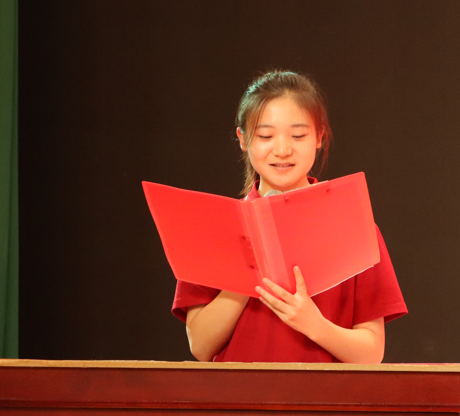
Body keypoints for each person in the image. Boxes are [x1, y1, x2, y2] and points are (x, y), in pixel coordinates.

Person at [172, 70, 407, 363]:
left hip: (322, 394)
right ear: (243, 139)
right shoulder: (214, 227)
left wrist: (312, 323)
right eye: (265, 136)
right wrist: (248, 273)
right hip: (238, 393)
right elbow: (200, 345)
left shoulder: (353, 226)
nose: (282, 150)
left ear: (319, 136)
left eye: (298, 135)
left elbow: (371, 354)